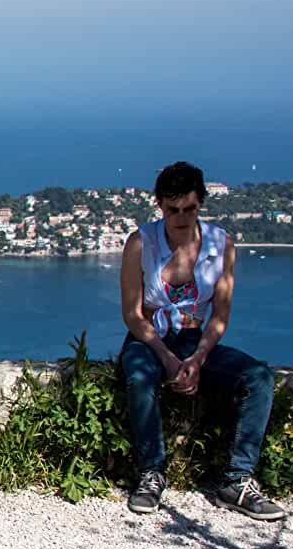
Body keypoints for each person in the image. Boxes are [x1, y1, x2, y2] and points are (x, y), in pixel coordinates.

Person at [119, 160, 283, 521]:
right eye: (173, 209)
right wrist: (167, 357)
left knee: (259, 378)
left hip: (196, 340)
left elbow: (220, 316)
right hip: (149, 338)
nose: (181, 217)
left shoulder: (221, 245)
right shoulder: (141, 243)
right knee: (140, 378)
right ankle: (151, 472)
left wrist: (198, 358)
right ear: (160, 205)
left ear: (200, 204)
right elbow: (132, 314)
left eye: (189, 209)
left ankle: (238, 480)